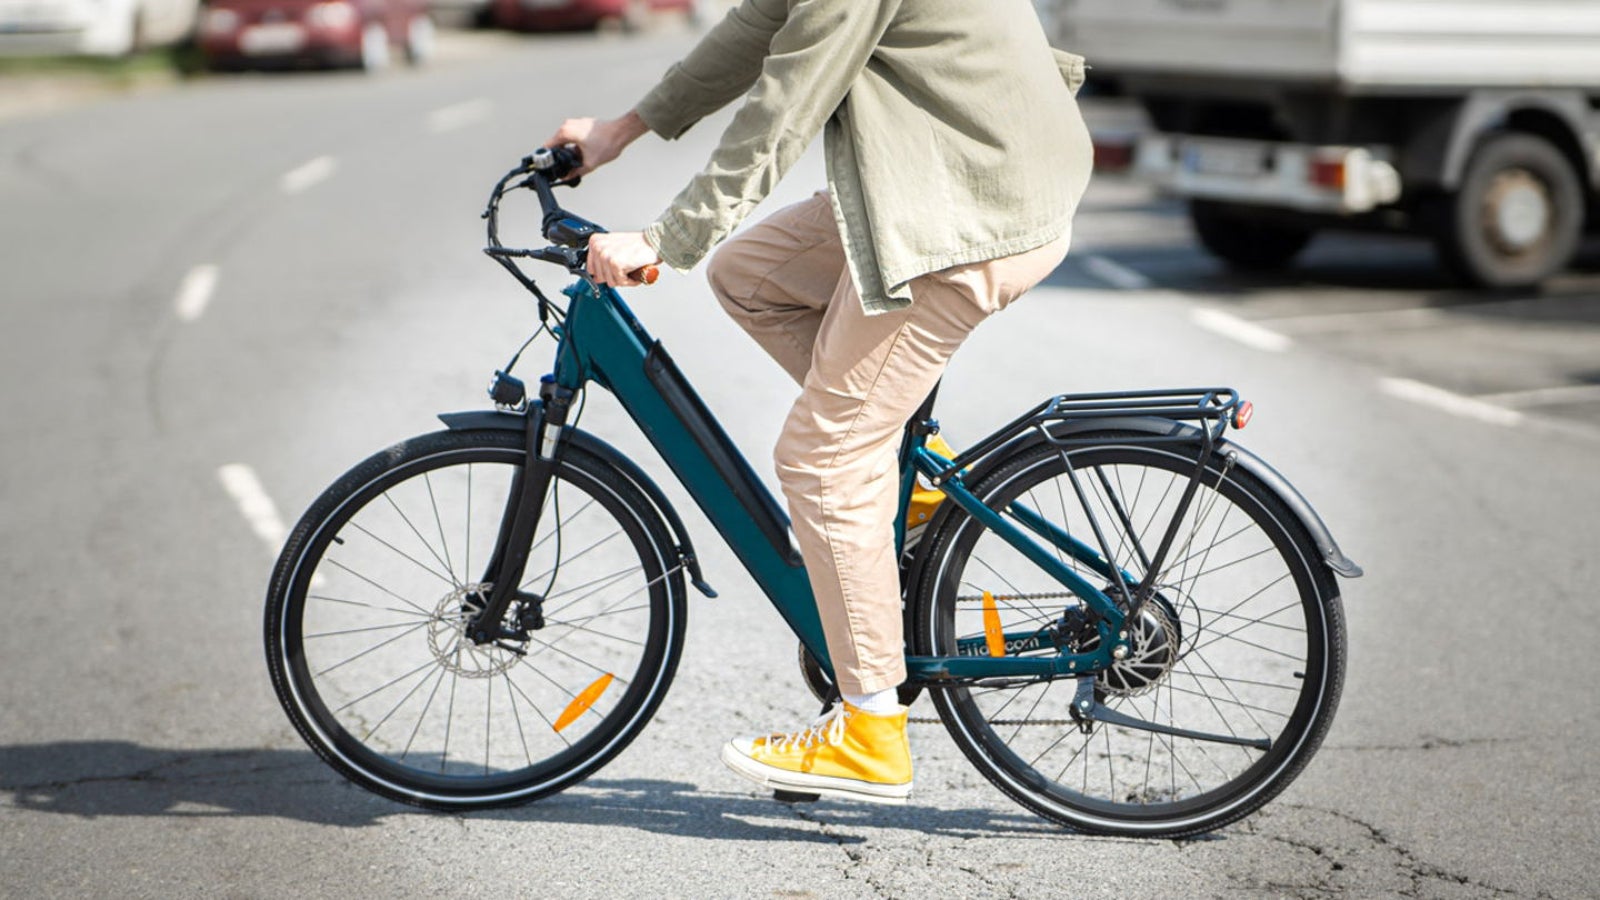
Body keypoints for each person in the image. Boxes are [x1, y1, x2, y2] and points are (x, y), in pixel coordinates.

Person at [543, 0, 1092, 805]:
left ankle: (870, 732)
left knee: (824, 458)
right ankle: (917, 488)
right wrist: (620, 130)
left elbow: (788, 102)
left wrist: (665, 238)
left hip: (971, 205)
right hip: (941, 170)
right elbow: (761, 23)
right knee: (751, 276)